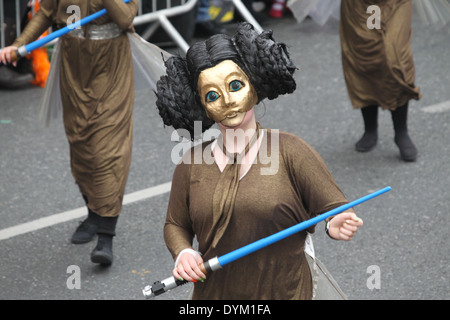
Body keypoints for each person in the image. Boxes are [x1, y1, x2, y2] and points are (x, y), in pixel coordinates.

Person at [155, 22, 364, 299]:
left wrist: (334, 221)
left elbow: (333, 207)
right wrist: (183, 252)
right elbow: (176, 224)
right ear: (201, 105)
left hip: (284, 292)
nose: (228, 101)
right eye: (213, 95)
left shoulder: (291, 151)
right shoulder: (190, 163)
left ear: (254, 85)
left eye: (235, 85)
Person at [0, 0, 139, 265]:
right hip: (73, 67)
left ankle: (106, 235)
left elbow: (124, 18)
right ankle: (93, 214)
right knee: (81, 144)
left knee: (108, 150)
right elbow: (46, 13)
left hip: (111, 67)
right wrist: (19, 46)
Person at [340, 0, 421, 161]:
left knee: (396, 59)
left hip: (396, 2)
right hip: (360, 5)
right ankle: (370, 129)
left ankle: (401, 132)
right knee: (366, 58)